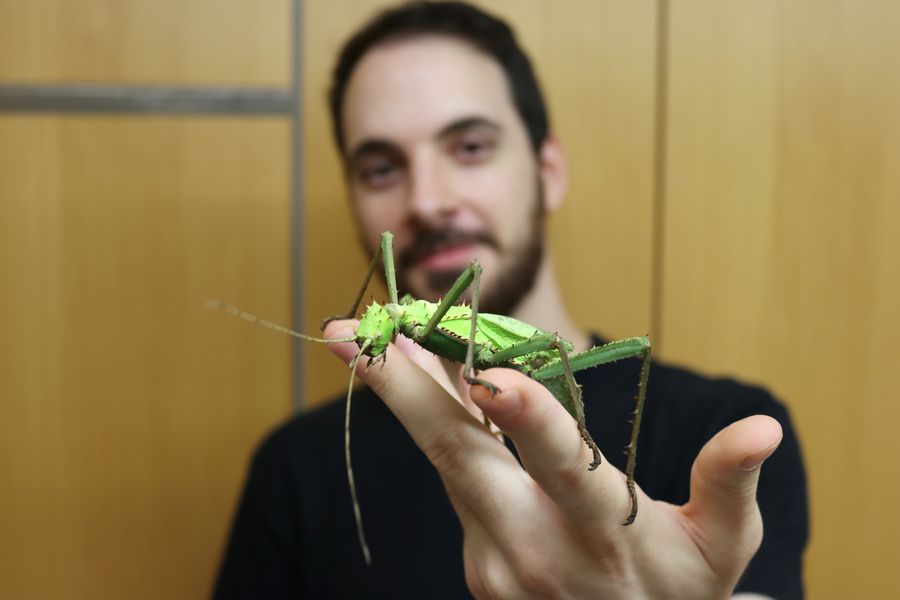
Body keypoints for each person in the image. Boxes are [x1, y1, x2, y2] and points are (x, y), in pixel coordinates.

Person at [214, 2, 808, 598]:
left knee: (635, 351)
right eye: (380, 168)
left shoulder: (721, 432)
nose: (427, 201)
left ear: (548, 169)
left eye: (470, 146)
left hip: (536, 356)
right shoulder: (293, 470)